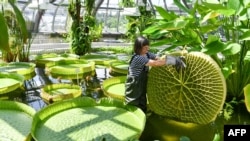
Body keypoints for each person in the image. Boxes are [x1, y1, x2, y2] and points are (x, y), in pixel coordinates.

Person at [124, 36, 186, 113]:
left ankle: (143, 115)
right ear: (139, 47)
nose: (147, 49)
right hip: (134, 85)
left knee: (142, 102)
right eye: (145, 47)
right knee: (132, 103)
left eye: (147, 47)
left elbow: (159, 59)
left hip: (141, 83)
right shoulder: (138, 58)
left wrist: (175, 58)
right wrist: (174, 61)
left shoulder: (147, 54)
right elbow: (155, 63)